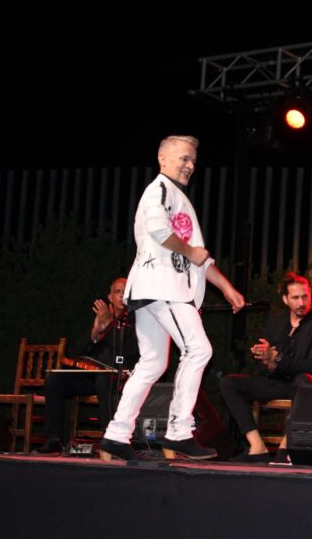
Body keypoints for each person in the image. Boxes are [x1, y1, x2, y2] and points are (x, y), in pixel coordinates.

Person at [99, 135, 245, 462]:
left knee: (153, 362)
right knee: (198, 349)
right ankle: (179, 431)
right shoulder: (159, 190)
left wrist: (226, 287)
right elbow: (159, 230)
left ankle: (116, 434)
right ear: (163, 159)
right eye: (183, 158)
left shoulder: (177, 197)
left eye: (193, 160)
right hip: (162, 285)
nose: (190, 165)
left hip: (156, 288)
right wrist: (191, 251)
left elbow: (199, 258)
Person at [219, 272, 312, 464]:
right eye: (296, 298)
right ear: (285, 299)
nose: (302, 302)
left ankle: (285, 448)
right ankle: (257, 447)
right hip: (279, 381)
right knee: (229, 383)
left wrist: (277, 357)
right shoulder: (276, 322)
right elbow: (273, 362)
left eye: (305, 296)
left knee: (302, 380)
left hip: (308, 385)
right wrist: (267, 361)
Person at [35, 277, 139, 454]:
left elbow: (130, 351)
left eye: (125, 292)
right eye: (117, 292)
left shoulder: (137, 320)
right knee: (55, 379)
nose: (121, 295)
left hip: (120, 377)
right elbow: (79, 350)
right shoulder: (102, 316)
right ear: (110, 297)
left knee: (103, 380)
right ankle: (54, 439)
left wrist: (109, 325)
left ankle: (111, 439)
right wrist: (96, 329)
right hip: (93, 375)